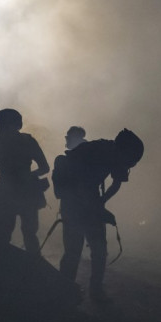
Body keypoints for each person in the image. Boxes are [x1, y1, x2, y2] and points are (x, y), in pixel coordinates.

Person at [52, 129, 143, 303]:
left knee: (99, 249)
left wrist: (101, 203)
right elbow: (79, 188)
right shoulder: (96, 152)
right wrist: (99, 209)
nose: (131, 164)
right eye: (131, 159)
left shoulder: (117, 155)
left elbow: (116, 183)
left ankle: (95, 291)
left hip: (89, 199)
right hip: (72, 201)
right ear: (122, 150)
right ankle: (63, 291)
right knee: (73, 250)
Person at [0, 109, 50, 254]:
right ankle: (28, 266)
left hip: (17, 193)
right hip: (19, 193)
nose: (1, 128)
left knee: (19, 234)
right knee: (16, 234)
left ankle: (26, 267)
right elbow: (44, 168)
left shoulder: (4, 141)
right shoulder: (21, 141)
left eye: (3, 125)